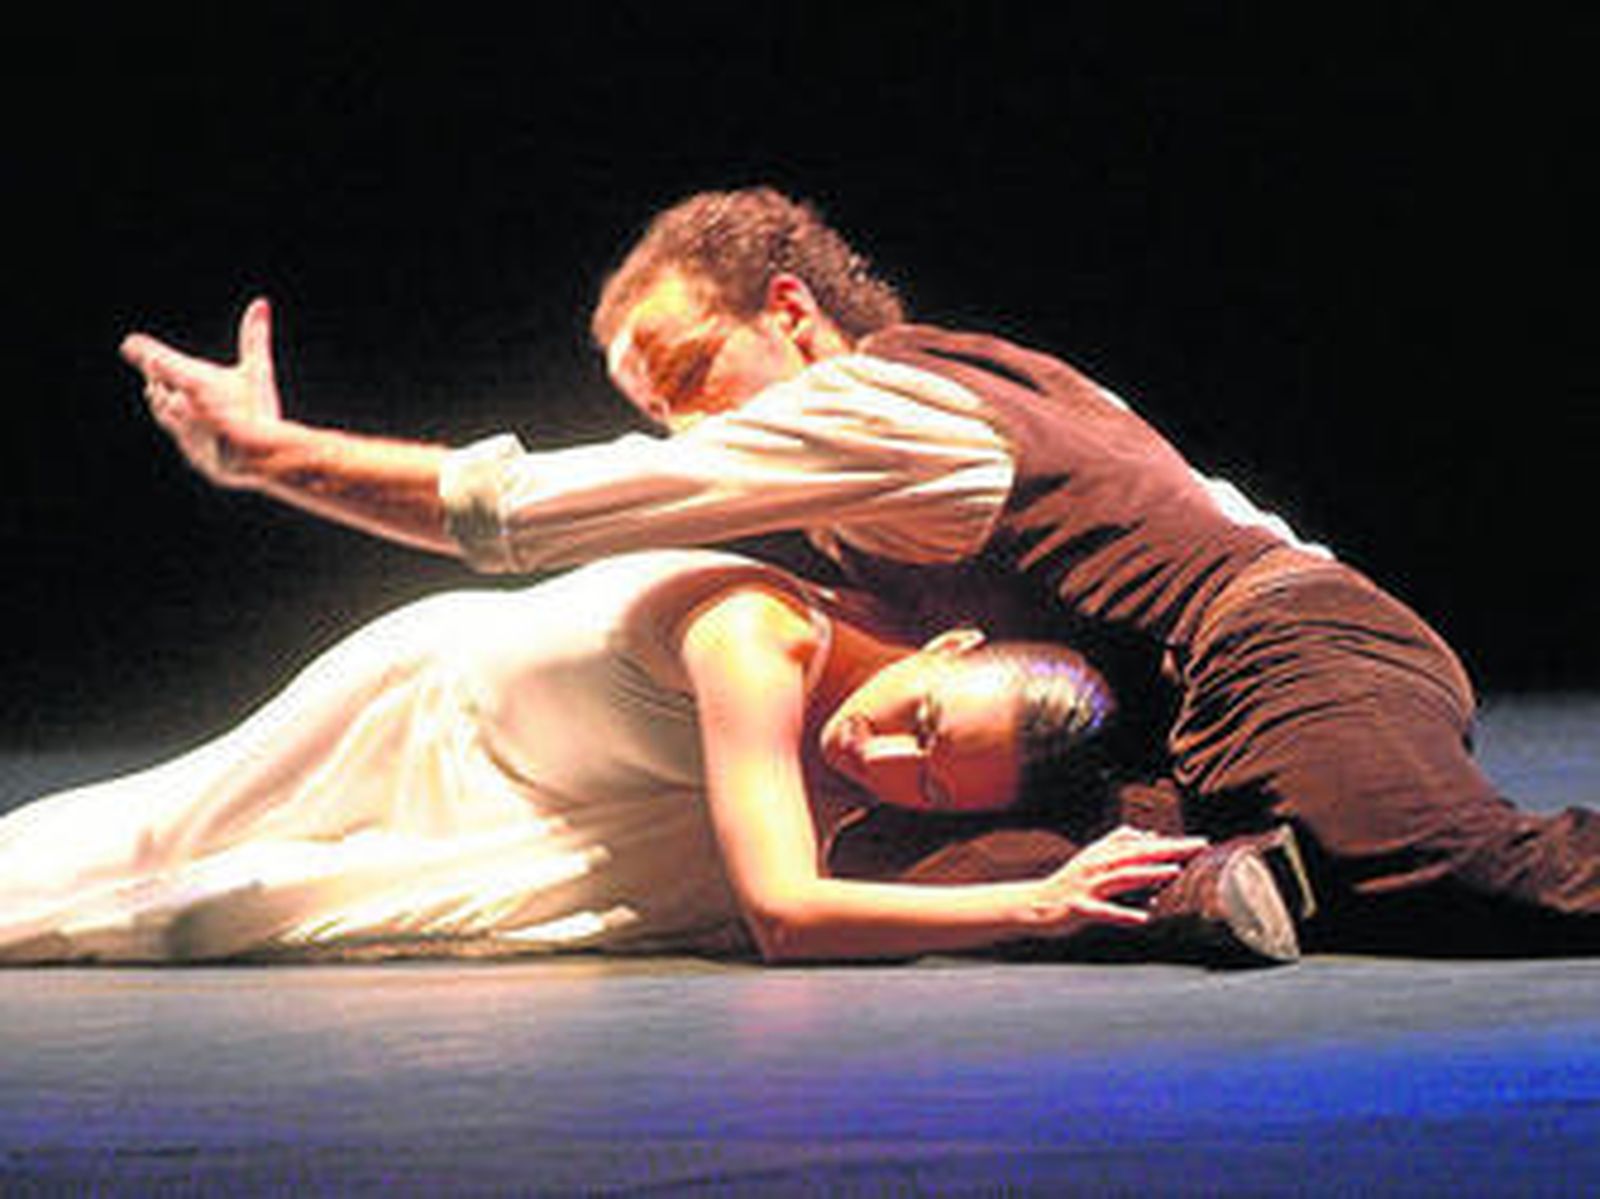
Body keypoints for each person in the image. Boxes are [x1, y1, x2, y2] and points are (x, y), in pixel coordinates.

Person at [119, 187, 1599, 956]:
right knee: (919, 865)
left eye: (692, 371)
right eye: (656, 405)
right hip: (1180, 732)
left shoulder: (878, 403)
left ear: (791, 311)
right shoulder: (906, 444)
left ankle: (1318, 845)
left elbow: (538, 507)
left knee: (1445, 869)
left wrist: (277, 459)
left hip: (1279, 647)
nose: (687, 425)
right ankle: (1221, 884)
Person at [1, 549, 1246, 966]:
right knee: (150, 843)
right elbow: (782, 913)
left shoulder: (858, 731)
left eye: (920, 781)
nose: (873, 750)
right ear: (947, 644)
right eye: (917, 719)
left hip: (563, 800)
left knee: (231, 906)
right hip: (423, 712)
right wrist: (1030, 902)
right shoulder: (761, 639)